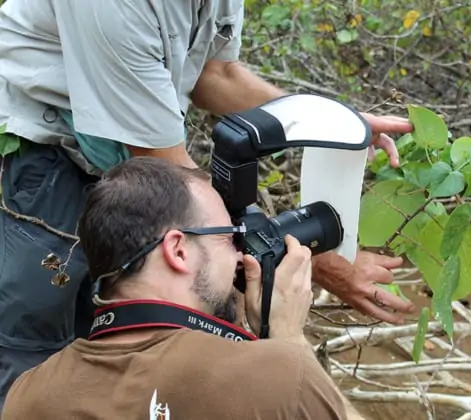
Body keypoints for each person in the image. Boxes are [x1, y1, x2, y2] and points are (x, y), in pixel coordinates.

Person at [0, 0, 415, 408]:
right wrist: (310, 259)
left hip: (120, 160)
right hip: (45, 156)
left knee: (154, 334)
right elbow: (168, 173)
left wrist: (317, 118)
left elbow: (216, 74)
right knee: (38, 345)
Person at [1, 156, 369, 419]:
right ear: (178, 249)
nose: (241, 260)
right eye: (230, 239)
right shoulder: (277, 379)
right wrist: (289, 339)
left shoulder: (28, 393)